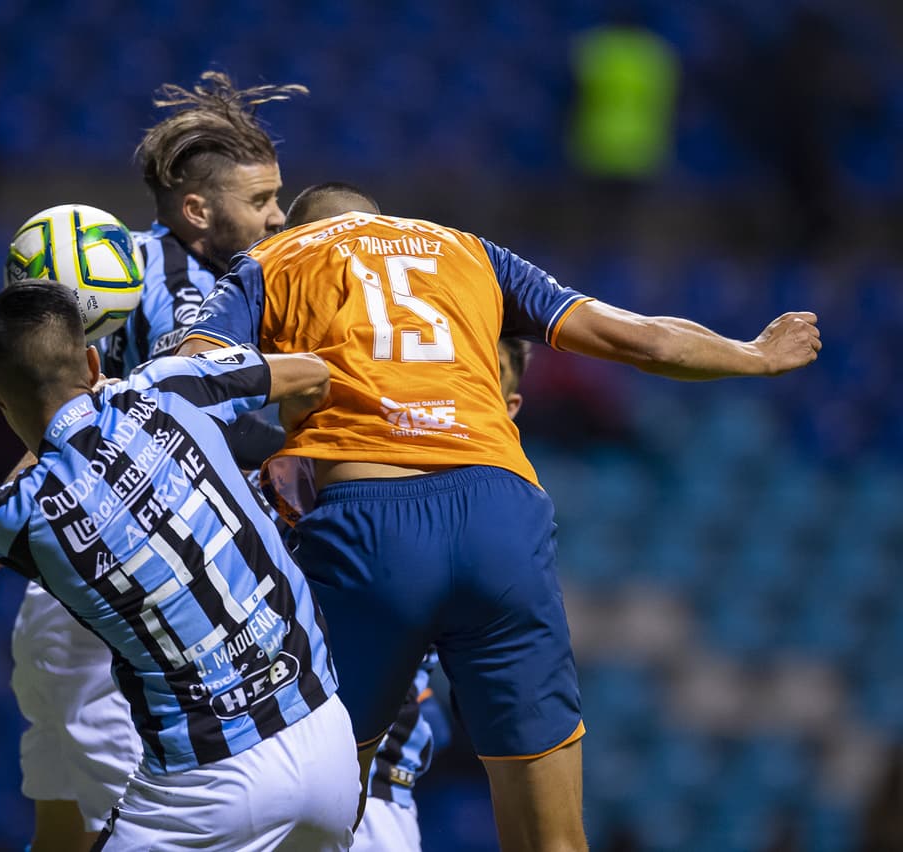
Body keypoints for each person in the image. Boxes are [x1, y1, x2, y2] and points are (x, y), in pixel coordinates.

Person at [179, 182, 821, 851]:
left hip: (369, 525)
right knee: (553, 837)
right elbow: (637, 337)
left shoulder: (274, 259)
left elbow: (189, 380)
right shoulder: (470, 253)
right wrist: (752, 353)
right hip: (499, 516)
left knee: (318, 813)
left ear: (301, 229)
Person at [0, 70, 303, 851]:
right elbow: (197, 428)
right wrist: (294, 441)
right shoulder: (217, 298)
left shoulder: (102, 261)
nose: (277, 217)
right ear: (198, 210)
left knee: (61, 823)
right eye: (260, 203)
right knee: (135, 818)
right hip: (134, 603)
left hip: (72, 597)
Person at [0, 283, 359, 850]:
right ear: (92, 360)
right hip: (328, 740)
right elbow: (313, 372)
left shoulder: (15, 519)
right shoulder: (170, 384)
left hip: (207, 783)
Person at [355, 338, 529, 852]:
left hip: (377, 798)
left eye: (487, 369)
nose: (466, 379)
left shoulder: (502, 520)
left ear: (510, 405)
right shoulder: (338, 456)